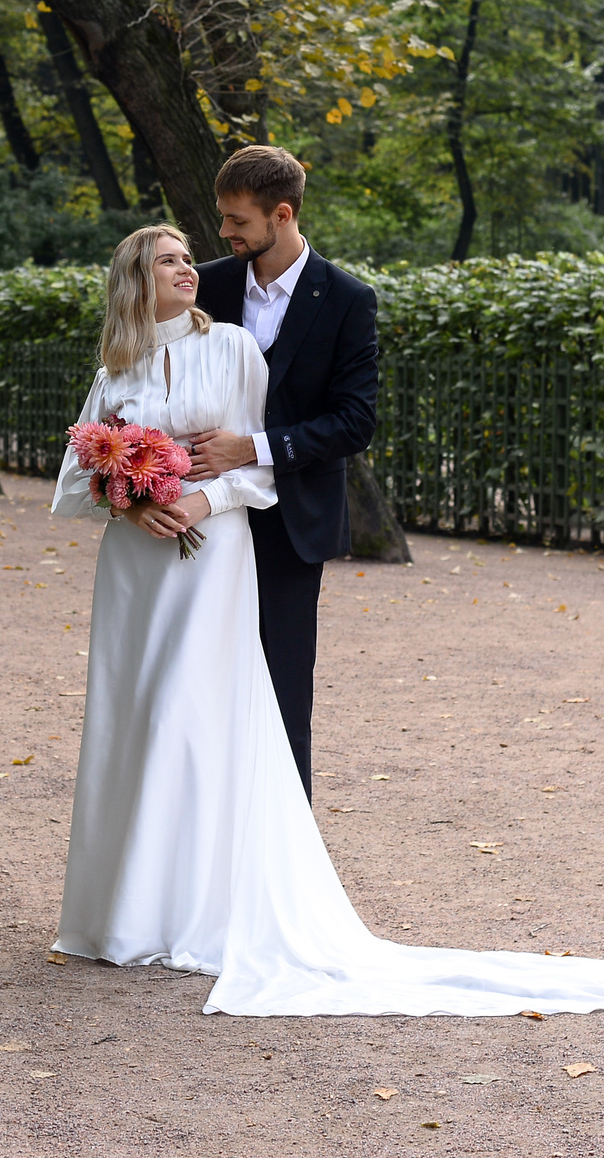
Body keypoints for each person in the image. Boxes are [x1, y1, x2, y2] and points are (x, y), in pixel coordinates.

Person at [49, 222, 604, 1017]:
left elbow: (258, 477)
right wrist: (128, 500)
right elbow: (79, 476)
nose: (189, 268)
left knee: (191, 719)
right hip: (133, 570)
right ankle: (116, 912)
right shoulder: (116, 366)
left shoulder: (233, 353)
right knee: (132, 717)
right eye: (169, 260)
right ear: (134, 279)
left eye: (190, 257)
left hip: (208, 558)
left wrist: (193, 498)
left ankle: (190, 911)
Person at [186, 146, 372, 798]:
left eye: (237, 221)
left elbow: (355, 422)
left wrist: (254, 448)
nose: (226, 234)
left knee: (284, 689)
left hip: (293, 523)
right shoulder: (205, 286)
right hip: (206, 514)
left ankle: (286, 854)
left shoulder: (348, 299)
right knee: (201, 678)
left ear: (282, 214)